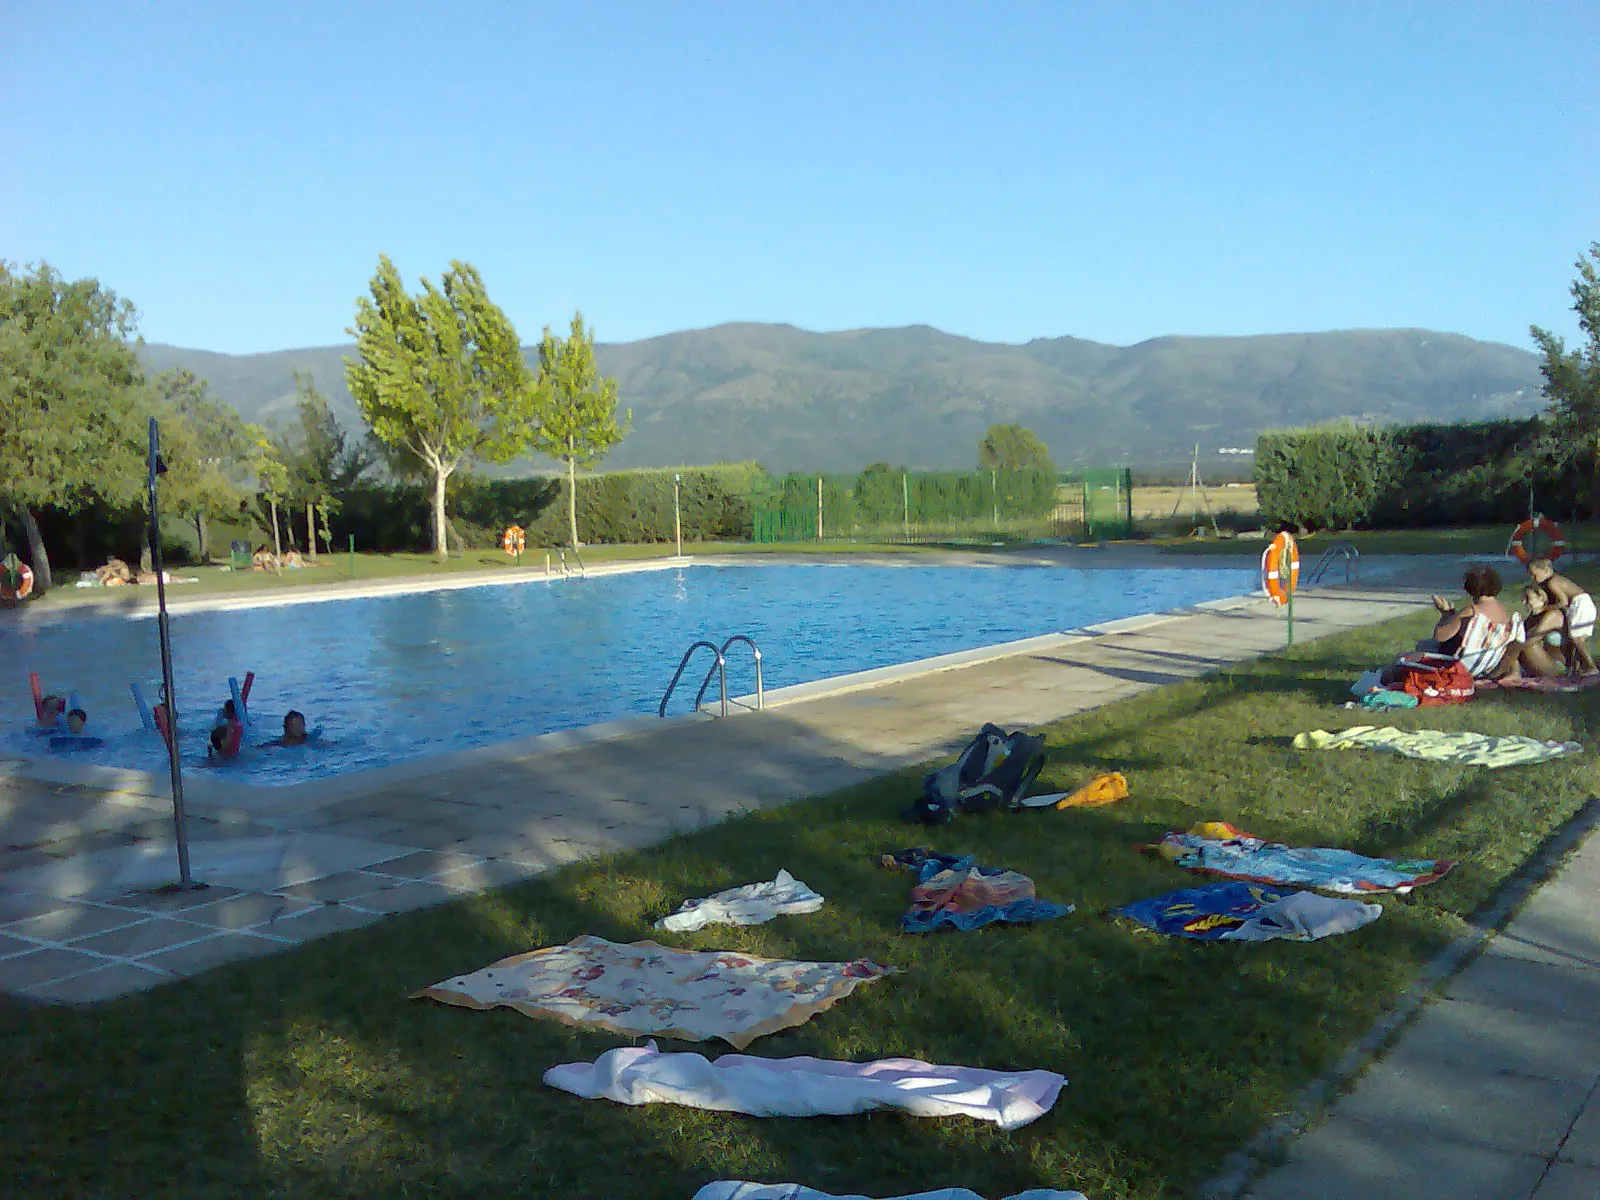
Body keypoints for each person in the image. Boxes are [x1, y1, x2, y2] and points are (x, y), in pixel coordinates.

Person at [1528, 559, 1598, 676]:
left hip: (1580, 604)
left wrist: (1546, 608)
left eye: (1535, 575)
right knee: (1576, 639)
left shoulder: (1552, 582)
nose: (1533, 578)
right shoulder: (1557, 579)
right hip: (1584, 604)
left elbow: (1563, 602)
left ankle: (1591, 666)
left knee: (1576, 639)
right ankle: (1577, 669)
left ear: (1546, 571)